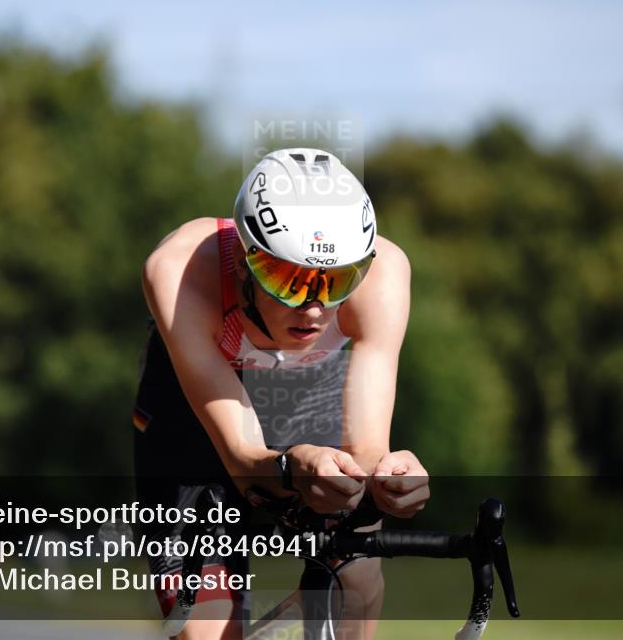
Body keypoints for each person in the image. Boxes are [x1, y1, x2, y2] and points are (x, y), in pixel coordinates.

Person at [133, 148, 429, 640]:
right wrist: (292, 466)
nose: (313, 308)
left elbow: (368, 450)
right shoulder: (181, 271)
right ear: (245, 262)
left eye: (335, 282)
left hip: (309, 393)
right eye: (287, 279)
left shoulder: (384, 275)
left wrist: (390, 481)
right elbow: (242, 458)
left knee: (353, 577)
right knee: (205, 629)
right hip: (194, 415)